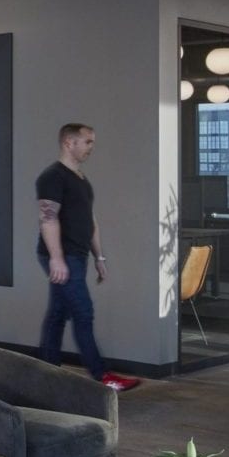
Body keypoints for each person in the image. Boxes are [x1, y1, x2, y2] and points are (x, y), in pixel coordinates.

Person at [37, 123, 139, 392]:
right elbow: (48, 219)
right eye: (88, 142)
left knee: (58, 314)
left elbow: (90, 220)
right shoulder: (52, 177)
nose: (91, 147)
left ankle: (45, 373)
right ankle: (102, 375)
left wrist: (99, 257)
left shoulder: (81, 179)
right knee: (83, 312)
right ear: (69, 143)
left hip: (77, 255)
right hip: (63, 256)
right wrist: (56, 258)